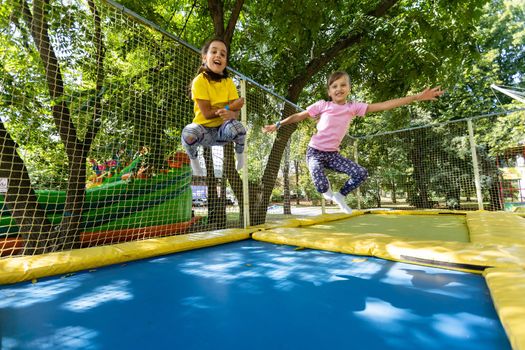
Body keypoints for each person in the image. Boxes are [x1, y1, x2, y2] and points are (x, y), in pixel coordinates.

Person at [263, 71, 444, 214]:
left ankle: (340, 196)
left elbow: (383, 105)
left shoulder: (353, 107)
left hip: (332, 155)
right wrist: (278, 124)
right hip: (315, 151)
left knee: (361, 173)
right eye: (334, 86)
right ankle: (328, 193)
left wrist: (416, 97)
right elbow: (298, 116)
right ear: (329, 91)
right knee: (320, 181)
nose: (338, 89)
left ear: (349, 88)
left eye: (343, 85)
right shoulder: (322, 105)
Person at [181, 38, 246, 176]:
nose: (218, 55)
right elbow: (207, 114)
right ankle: (194, 159)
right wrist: (229, 108)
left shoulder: (228, 82)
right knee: (188, 133)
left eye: (223, 54)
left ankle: (240, 155)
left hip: (223, 132)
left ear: (225, 62)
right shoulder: (200, 80)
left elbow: (235, 114)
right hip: (203, 132)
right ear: (204, 58)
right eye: (214, 51)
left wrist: (232, 114)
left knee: (239, 128)